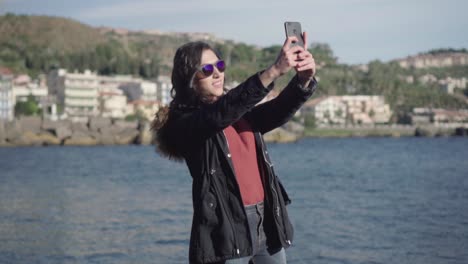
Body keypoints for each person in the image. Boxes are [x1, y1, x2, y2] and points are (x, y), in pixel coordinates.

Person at [151, 32, 317, 264]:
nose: (217, 73)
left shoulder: (237, 111)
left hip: (267, 220)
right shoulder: (186, 122)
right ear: (189, 79)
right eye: (206, 70)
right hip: (227, 228)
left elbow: (276, 111)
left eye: (219, 65)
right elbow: (218, 116)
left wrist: (303, 80)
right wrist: (274, 70)